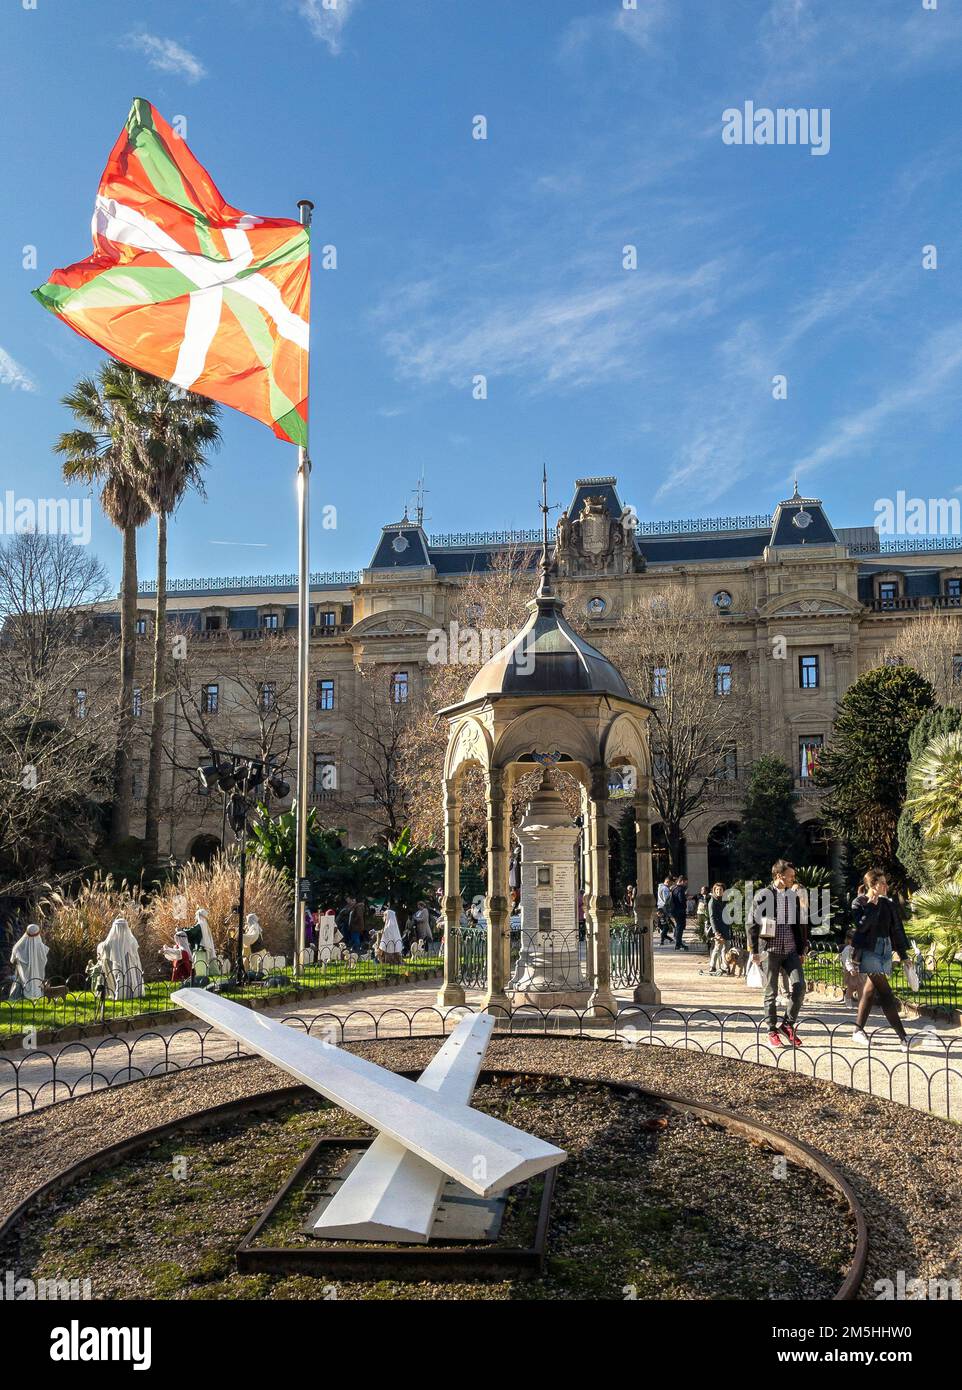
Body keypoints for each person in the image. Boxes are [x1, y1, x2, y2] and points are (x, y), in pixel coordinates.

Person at [849, 870, 916, 1050]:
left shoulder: (888, 904)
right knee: (886, 993)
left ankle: (857, 1031)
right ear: (873, 885)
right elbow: (862, 927)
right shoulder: (859, 902)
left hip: (885, 949)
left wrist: (903, 956)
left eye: (886, 883)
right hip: (869, 950)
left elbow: (896, 931)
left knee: (870, 991)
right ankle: (904, 1038)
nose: (886, 886)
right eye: (883, 883)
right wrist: (871, 907)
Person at [749, 859, 808, 1047]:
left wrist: (802, 948)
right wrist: (753, 950)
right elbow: (751, 923)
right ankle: (772, 1030)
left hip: (790, 949)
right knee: (771, 992)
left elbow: (801, 923)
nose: (793, 879)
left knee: (799, 986)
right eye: (790, 876)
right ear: (779, 876)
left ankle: (788, 1025)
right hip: (769, 951)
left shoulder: (792, 896)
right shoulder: (763, 895)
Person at [99, 916, 145, 1000]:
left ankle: (116, 992)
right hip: (129, 967)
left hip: (118, 967)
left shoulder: (110, 942)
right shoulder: (131, 941)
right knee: (125, 976)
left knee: (117, 976)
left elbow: (103, 948)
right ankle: (131, 992)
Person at [8, 923, 48, 1000]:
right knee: (34, 980)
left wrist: (17, 960)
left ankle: (19, 996)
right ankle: (32, 995)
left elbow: (14, 951)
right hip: (35, 972)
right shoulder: (40, 945)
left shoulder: (20, 944)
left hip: (23, 972)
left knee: (20, 982)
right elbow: (44, 958)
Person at [707, 883, 731, 976]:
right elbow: (712, 917)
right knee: (718, 947)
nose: (718, 892)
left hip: (725, 927)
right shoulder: (712, 901)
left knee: (726, 947)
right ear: (714, 890)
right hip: (718, 928)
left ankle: (725, 966)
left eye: (720, 890)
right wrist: (716, 931)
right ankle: (712, 966)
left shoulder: (725, 900)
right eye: (717, 890)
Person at [670, 875, 689, 951]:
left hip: (675, 910)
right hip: (680, 911)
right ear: (681, 881)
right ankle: (678, 944)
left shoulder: (674, 888)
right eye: (685, 882)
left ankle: (679, 943)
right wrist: (685, 899)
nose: (686, 884)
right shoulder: (680, 889)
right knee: (680, 928)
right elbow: (681, 900)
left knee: (678, 927)